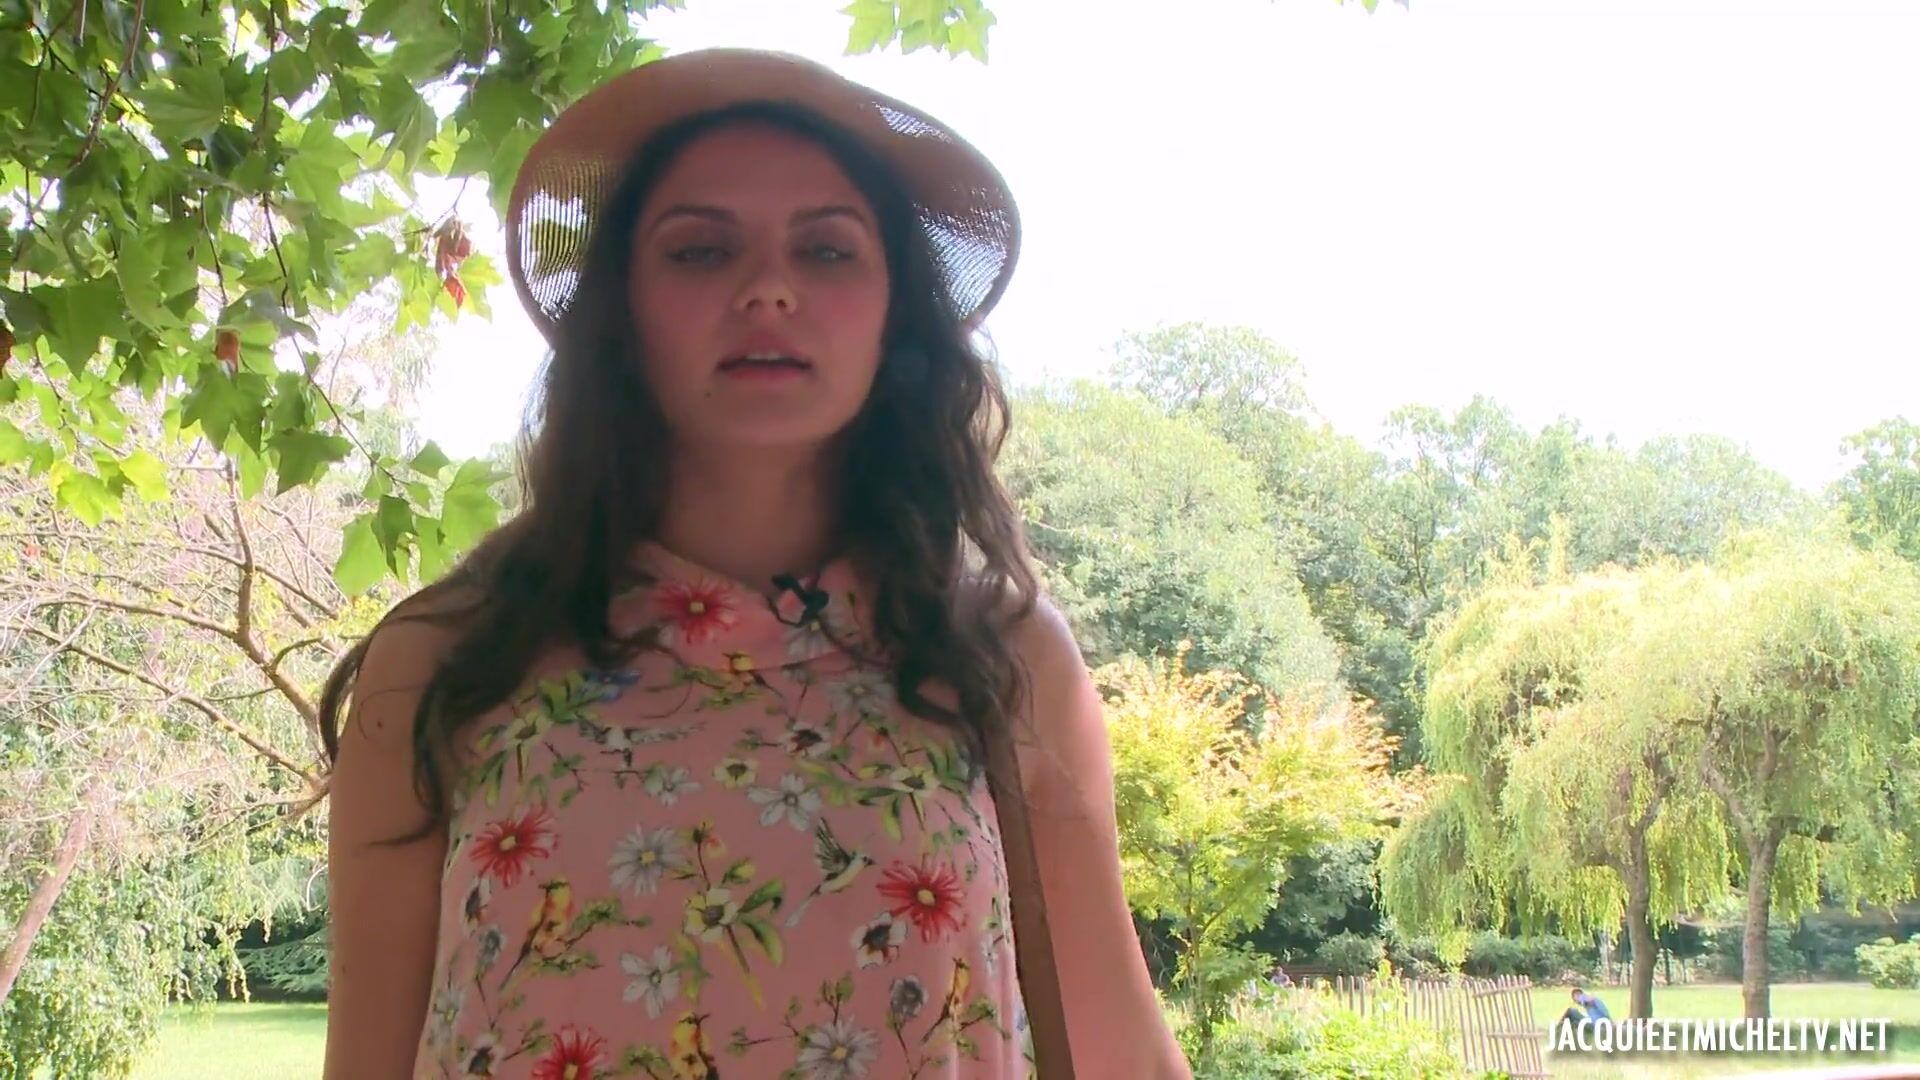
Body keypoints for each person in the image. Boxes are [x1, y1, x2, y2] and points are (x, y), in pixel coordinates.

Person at [320, 48, 1189, 1079]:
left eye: (827, 251)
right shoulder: (446, 662)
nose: (770, 289)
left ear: (894, 316)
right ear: (623, 312)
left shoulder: (1004, 660)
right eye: (700, 251)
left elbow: (1122, 1053)